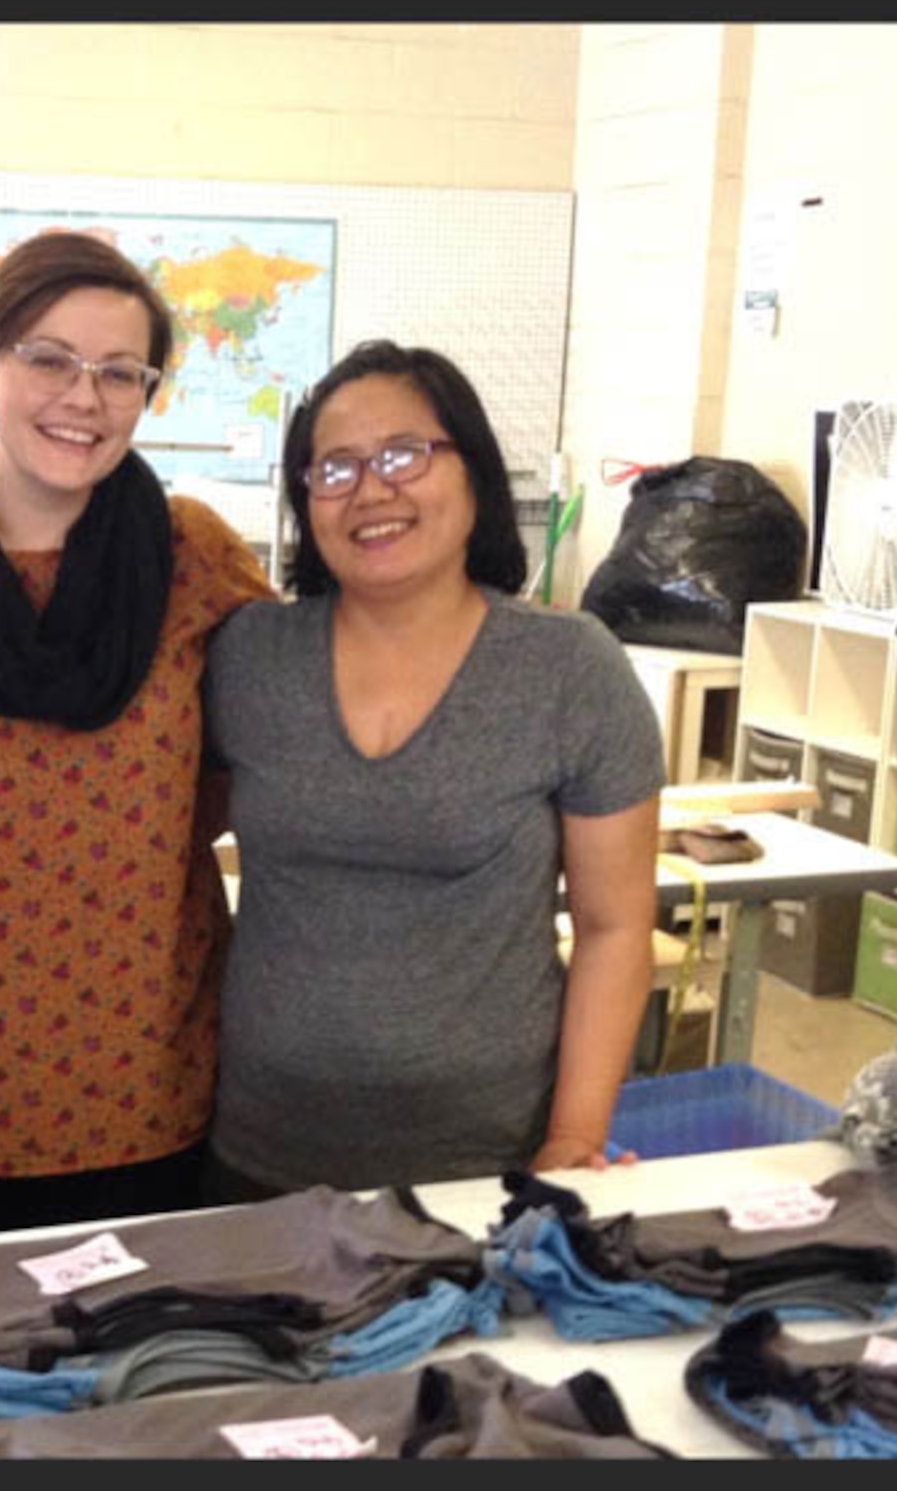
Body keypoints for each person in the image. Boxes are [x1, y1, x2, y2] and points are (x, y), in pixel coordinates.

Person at [0, 230, 276, 1243]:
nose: (84, 396)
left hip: (136, 1085)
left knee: (123, 1381)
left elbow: (287, 736)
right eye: (47, 358)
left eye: (120, 372)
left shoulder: (193, 556)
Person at [201, 339, 667, 1200]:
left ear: (474, 472)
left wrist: (573, 1138)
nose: (372, 490)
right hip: (256, 1155)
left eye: (405, 454)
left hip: (486, 1161)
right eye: (333, 468)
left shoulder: (567, 668)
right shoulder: (248, 656)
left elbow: (613, 927)